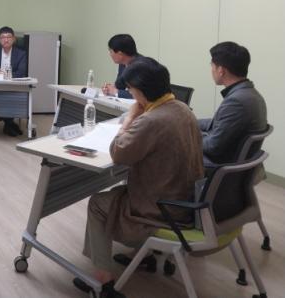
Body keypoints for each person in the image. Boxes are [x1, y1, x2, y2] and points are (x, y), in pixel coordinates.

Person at [75, 57, 203, 298]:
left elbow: (118, 152)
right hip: (185, 201)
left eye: (131, 90)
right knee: (118, 192)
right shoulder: (184, 109)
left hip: (161, 211)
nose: (131, 94)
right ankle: (143, 255)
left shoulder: (151, 120)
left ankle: (102, 279)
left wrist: (130, 118)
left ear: (141, 92)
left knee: (98, 203)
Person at [199, 42, 267, 166]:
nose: (211, 70)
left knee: (171, 146)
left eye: (212, 66)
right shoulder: (251, 94)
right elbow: (218, 122)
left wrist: (186, 138)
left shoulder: (236, 101)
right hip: (232, 161)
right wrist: (190, 122)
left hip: (218, 165)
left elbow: (213, 146)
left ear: (221, 70)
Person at [0, 26, 27, 137]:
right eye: (3, 37)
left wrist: (5, 74)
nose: (6, 40)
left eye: (9, 37)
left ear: (14, 39)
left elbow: (21, 72)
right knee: (2, 95)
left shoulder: (21, 54)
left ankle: (9, 123)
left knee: (10, 95)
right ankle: (9, 124)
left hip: (14, 87)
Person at [102, 34, 141, 99]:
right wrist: (109, 89)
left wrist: (115, 92)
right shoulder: (123, 63)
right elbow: (119, 86)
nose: (110, 54)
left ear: (120, 54)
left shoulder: (142, 66)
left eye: (111, 51)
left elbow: (142, 95)